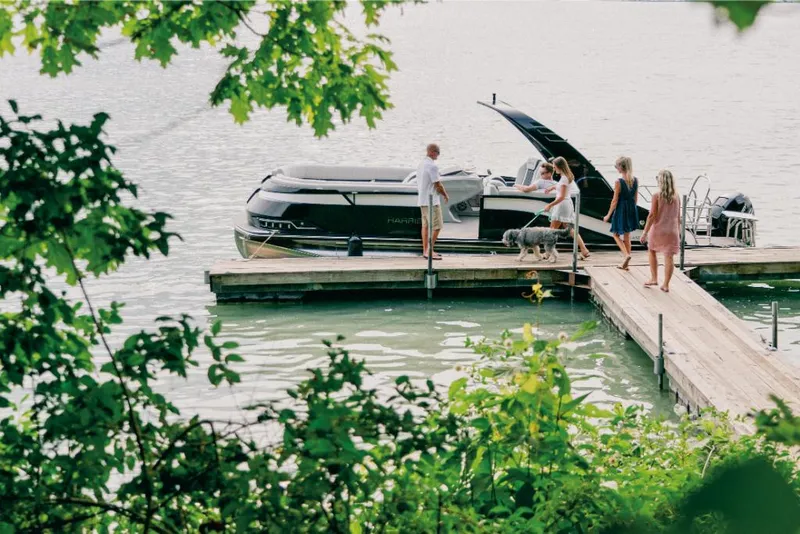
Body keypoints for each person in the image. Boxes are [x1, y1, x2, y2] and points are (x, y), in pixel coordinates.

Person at [641, 169, 681, 292]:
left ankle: (654, 278)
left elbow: (652, 215)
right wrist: (678, 232)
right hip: (672, 231)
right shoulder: (676, 196)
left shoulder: (656, 195)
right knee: (669, 257)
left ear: (661, 181)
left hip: (659, 229)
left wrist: (645, 232)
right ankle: (666, 285)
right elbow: (678, 216)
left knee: (652, 251)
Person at [543, 156, 590, 259]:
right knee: (570, 229)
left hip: (562, 205)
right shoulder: (567, 176)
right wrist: (552, 187)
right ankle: (584, 249)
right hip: (567, 204)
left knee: (552, 230)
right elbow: (561, 187)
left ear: (560, 166)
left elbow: (561, 196)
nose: (554, 169)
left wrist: (549, 205)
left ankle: (548, 253)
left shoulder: (564, 179)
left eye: (555, 167)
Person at [603, 156, 639, 270]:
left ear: (621, 167)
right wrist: (632, 210)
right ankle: (626, 264)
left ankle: (626, 255)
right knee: (627, 237)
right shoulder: (635, 180)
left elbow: (614, 201)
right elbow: (635, 198)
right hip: (632, 208)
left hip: (621, 209)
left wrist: (608, 215)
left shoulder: (619, 181)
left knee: (616, 234)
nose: (616, 168)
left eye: (616, 166)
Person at [417, 143, 449, 260]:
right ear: (432, 152)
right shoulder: (432, 166)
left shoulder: (421, 164)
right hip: (432, 201)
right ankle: (429, 251)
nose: (438, 155)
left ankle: (425, 250)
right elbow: (437, 184)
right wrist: (445, 195)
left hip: (422, 200)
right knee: (437, 226)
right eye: (437, 152)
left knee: (425, 226)